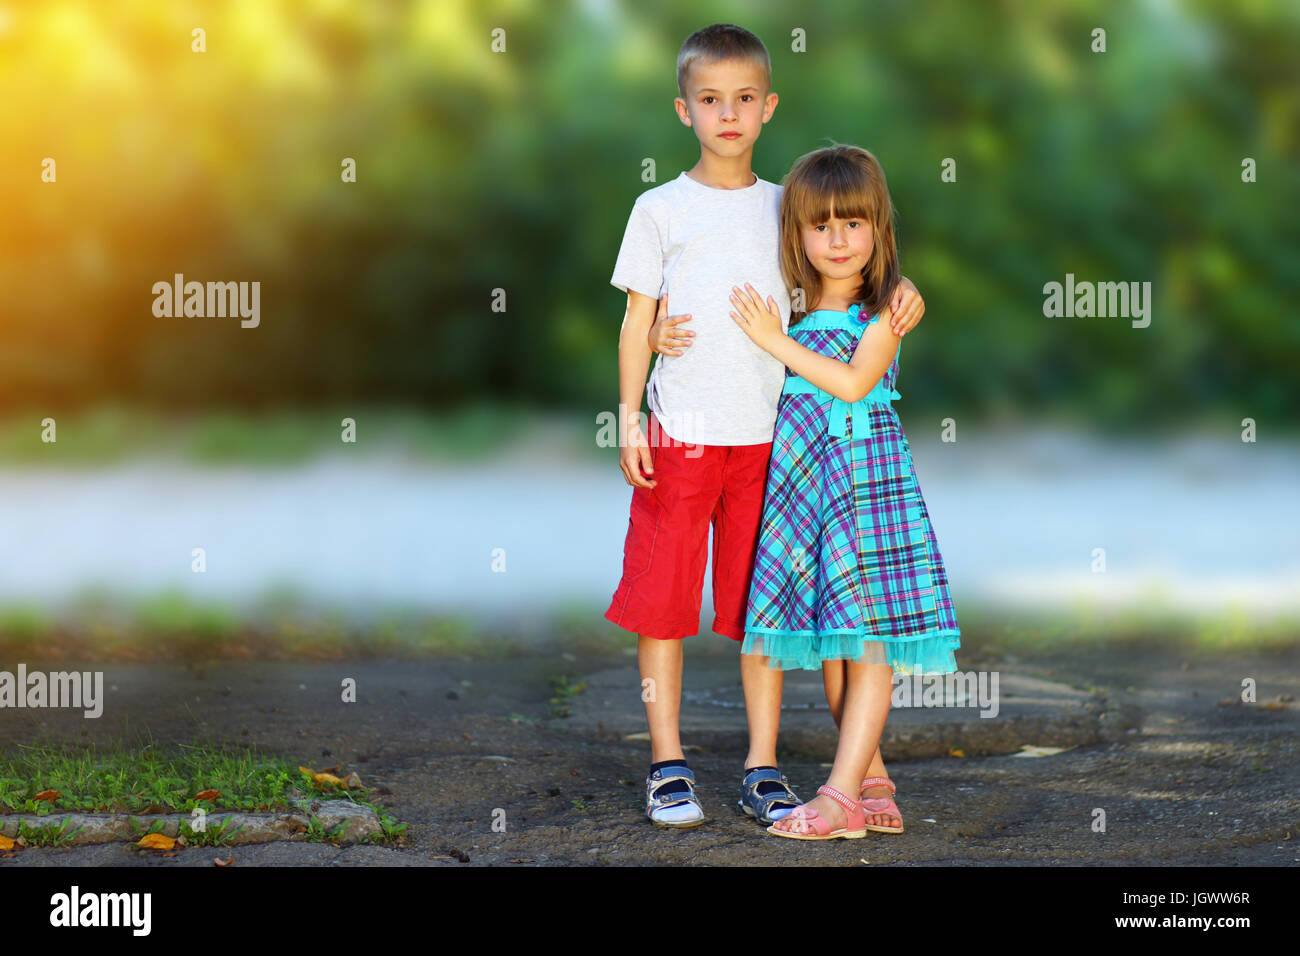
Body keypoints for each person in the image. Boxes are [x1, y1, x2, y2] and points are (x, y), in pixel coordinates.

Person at [605, 24, 927, 827]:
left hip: (772, 444)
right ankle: (668, 762)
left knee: (765, 611)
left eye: (744, 99)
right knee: (663, 601)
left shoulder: (789, 206)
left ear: (768, 107)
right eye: (710, 100)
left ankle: (761, 764)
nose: (728, 114)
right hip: (681, 432)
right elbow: (634, 319)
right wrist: (630, 411)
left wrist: (903, 291)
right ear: (683, 109)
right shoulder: (660, 208)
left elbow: (848, 265)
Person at [727, 144, 961, 840]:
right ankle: (872, 779)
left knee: (868, 645)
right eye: (821, 225)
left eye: (854, 224)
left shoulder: (885, 311)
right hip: (807, 495)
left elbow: (855, 383)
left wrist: (773, 341)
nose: (837, 239)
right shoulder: (791, 309)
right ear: (796, 235)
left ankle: (838, 800)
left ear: (877, 231)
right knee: (836, 650)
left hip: (864, 492)